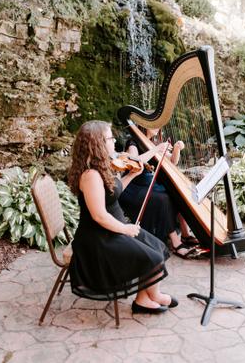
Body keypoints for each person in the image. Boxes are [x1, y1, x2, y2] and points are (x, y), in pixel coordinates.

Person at [68, 120, 178, 314]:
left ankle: (146, 297)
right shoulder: (91, 175)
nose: (114, 142)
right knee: (150, 256)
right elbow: (99, 216)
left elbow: (114, 192)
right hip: (99, 237)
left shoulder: (102, 166)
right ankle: (149, 298)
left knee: (156, 246)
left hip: (112, 228)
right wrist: (125, 229)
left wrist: (131, 176)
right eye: (110, 138)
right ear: (98, 143)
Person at [119, 126, 199, 259]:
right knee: (163, 198)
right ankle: (175, 242)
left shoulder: (152, 142)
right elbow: (135, 161)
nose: (158, 127)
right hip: (133, 187)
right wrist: (156, 149)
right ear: (144, 125)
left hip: (147, 185)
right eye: (154, 124)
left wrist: (177, 148)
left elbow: (173, 161)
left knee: (177, 193)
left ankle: (185, 234)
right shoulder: (133, 143)